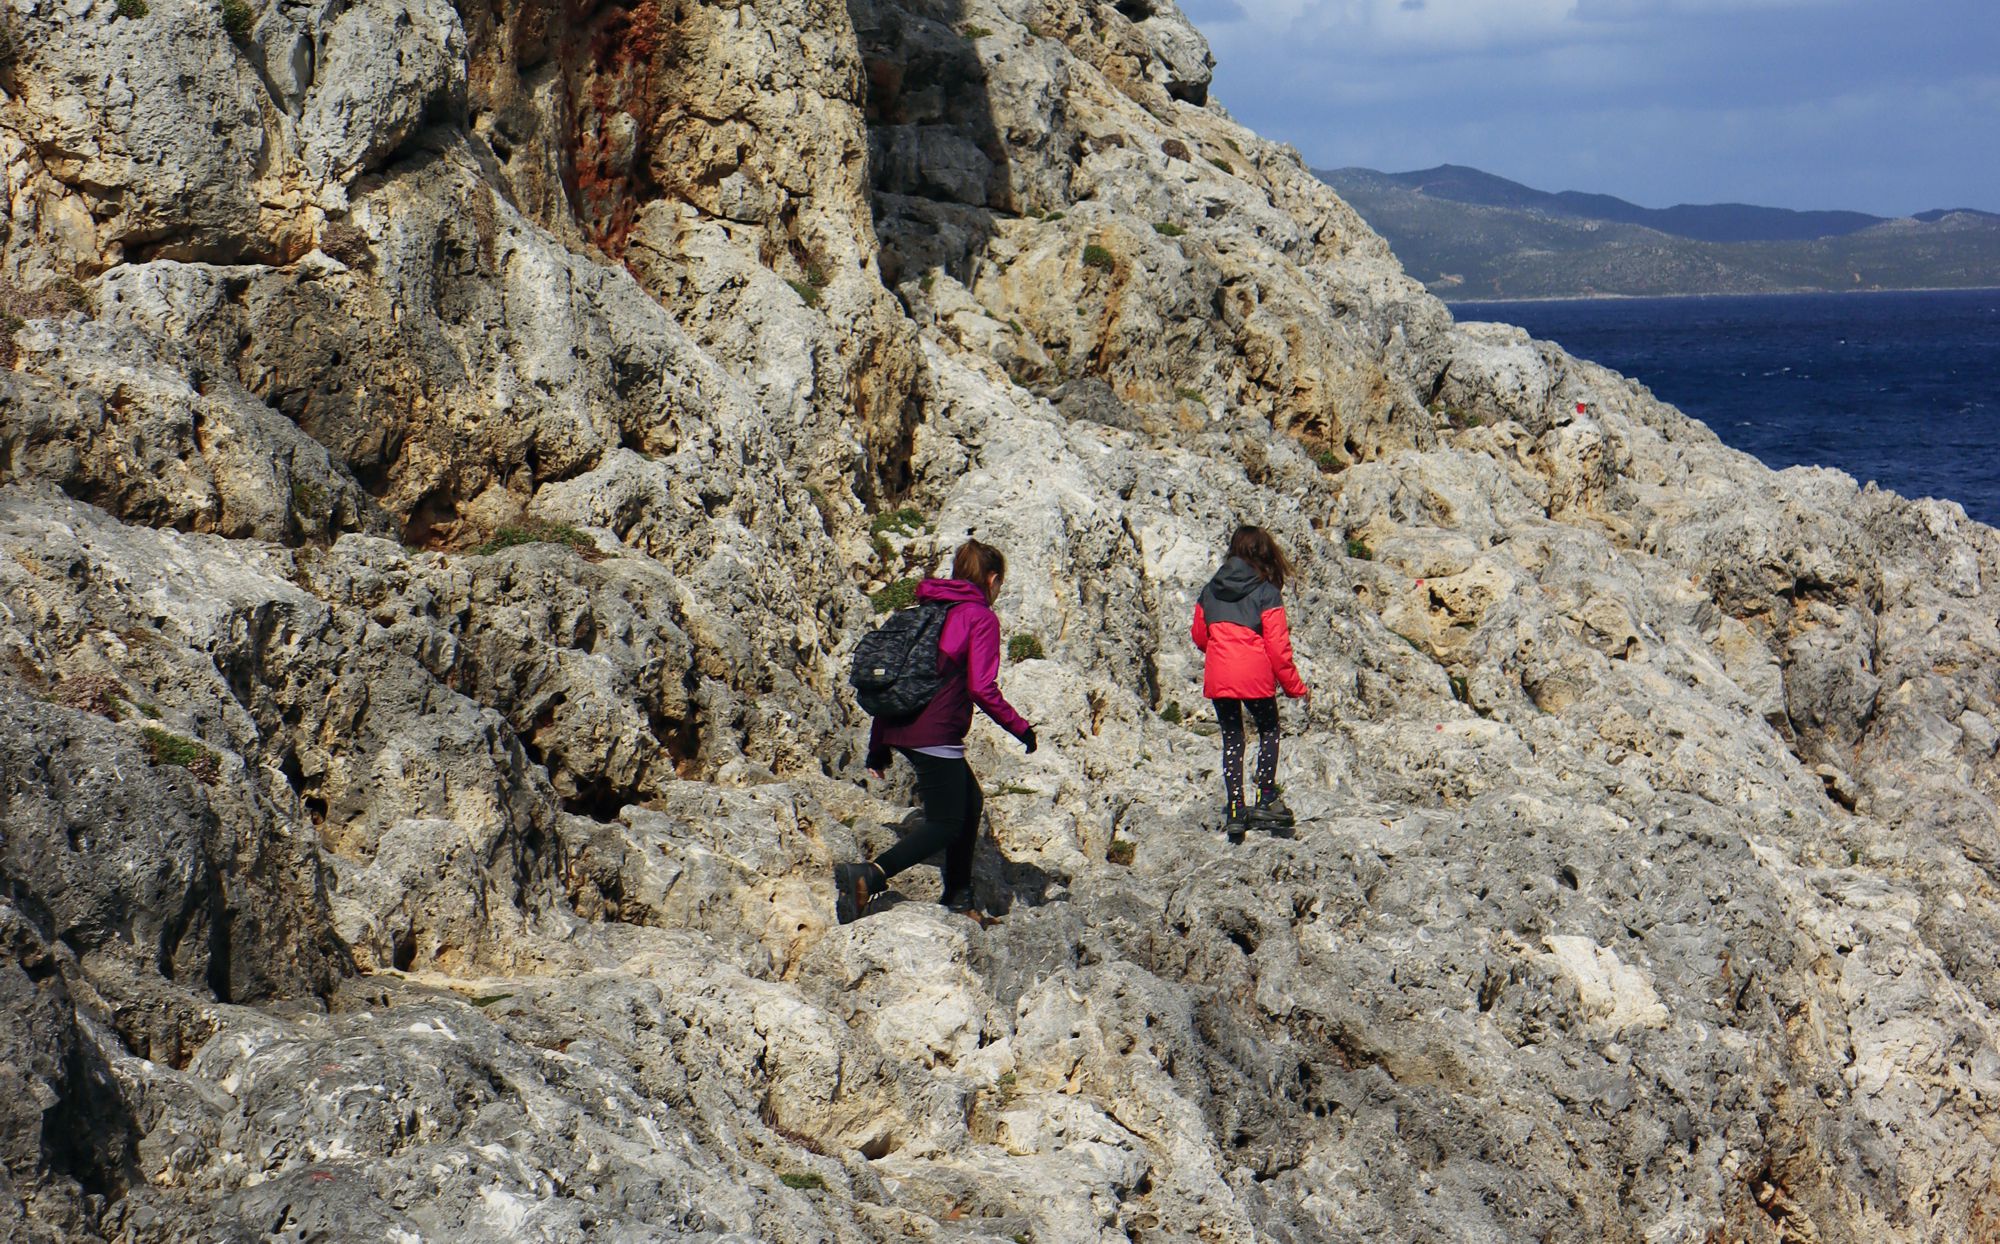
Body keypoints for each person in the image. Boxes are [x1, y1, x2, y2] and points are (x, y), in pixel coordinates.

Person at [836, 539, 1038, 923]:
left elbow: (901, 680)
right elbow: (981, 687)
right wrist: (1021, 728)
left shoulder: (930, 611)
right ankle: (870, 875)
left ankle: (960, 900)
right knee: (946, 823)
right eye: (999, 585)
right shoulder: (979, 617)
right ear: (992, 580)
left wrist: (879, 744)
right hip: (936, 731)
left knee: (969, 802)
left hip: (903, 725)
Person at [1191, 525, 1309, 840]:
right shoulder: (1267, 591)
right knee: (1268, 728)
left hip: (1220, 674)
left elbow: (1199, 635)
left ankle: (1234, 809)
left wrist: (1220, 652)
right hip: (1254, 674)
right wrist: (1294, 686)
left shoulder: (1210, 589)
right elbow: (1277, 647)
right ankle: (1267, 797)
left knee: (1233, 738)